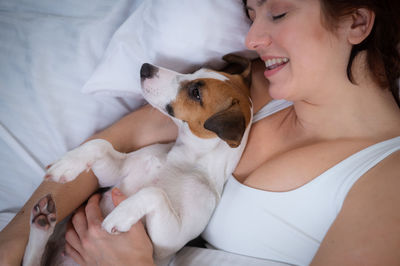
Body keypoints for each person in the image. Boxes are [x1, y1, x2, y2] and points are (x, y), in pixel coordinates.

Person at [1, 0, 400, 265]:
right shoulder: (252, 88)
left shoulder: (388, 181)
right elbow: (117, 144)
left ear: (357, 21)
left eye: (277, 12)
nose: (251, 39)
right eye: (251, 12)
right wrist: (14, 241)